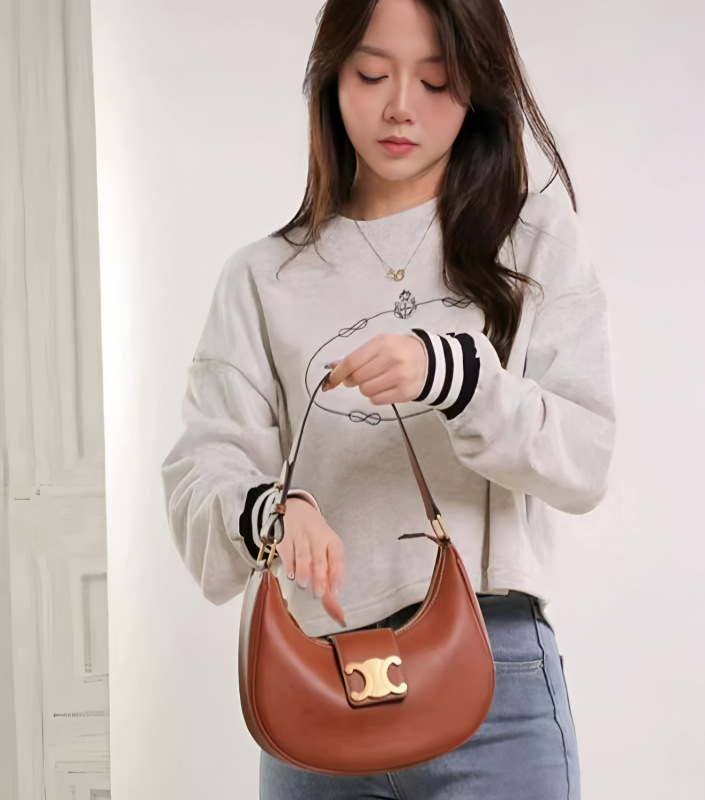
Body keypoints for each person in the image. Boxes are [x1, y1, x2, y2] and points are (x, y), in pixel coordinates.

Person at [161, 0, 615, 797]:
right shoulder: (262, 278)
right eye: (372, 74)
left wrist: (456, 377)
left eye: (436, 81)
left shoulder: (531, 241)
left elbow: (584, 459)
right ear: (331, 77)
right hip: (313, 681)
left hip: (495, 683)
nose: (401, 106)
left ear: (475, 87)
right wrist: (274, 512)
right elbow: (202, 473)